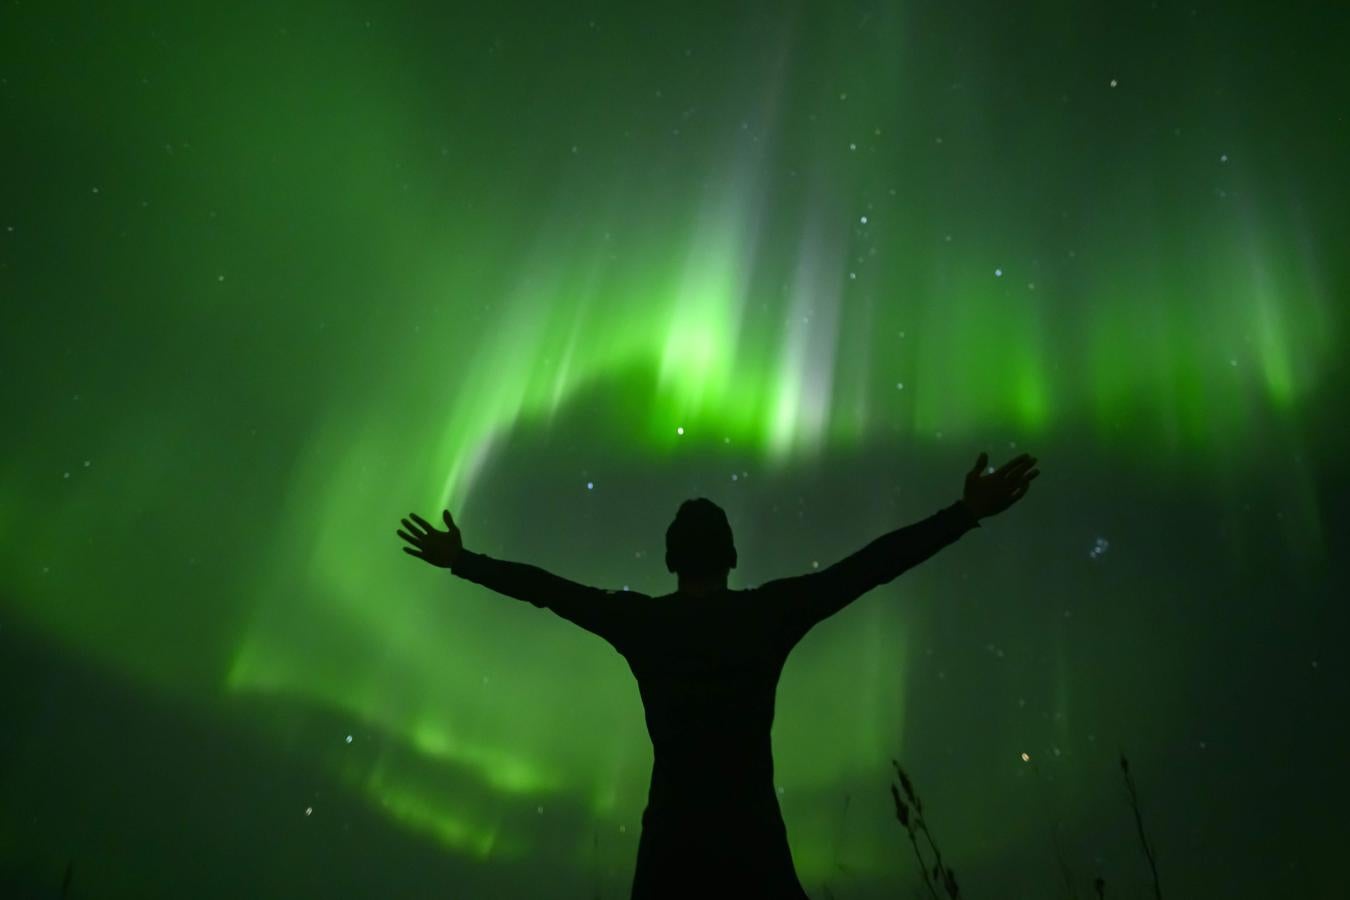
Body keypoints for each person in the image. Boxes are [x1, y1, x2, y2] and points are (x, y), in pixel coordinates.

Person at [397, 451, 1040, 898]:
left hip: (673, 850)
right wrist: (962, 514)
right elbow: (869, 567)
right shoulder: (768, 615)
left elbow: (546, 590)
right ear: (732, 557)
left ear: (671, 559)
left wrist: (463, 560)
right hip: (751, 846)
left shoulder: (642, 624)